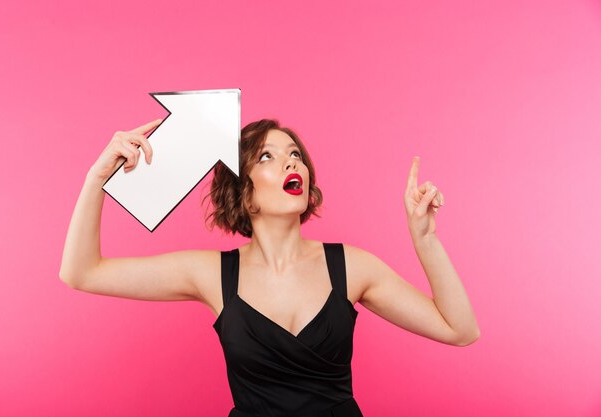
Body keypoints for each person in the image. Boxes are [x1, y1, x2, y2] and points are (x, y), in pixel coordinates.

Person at [59, 118, 480, 417]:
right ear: (245, 192)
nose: (291, 163)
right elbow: (81, 272)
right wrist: (96, 178)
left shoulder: (350, 267)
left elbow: (459, 330)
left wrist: (425, 238)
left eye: (295, 154)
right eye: (267, 156)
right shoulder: (211, 274)